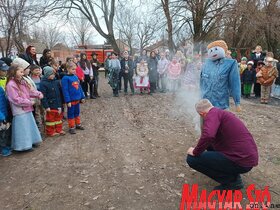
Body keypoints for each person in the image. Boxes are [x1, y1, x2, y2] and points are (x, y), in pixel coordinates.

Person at [186, 99, 258, 190]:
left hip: (242, 161)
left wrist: (195, 151)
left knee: (192, 159)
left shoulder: (212, 115)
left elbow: (208, 135)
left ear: (202, 114)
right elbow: (210, 138)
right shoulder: (220, 113)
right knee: (209, 145)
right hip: (247, 157)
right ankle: (231, 172)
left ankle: (232, 182)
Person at [6, 65, 43, 151]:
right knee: (22, 128)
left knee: (28, 126)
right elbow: (15, 99)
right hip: (19, 110)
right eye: (21, 72)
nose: (23, 73)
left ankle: (30, 142)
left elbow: (29, 91)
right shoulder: (11, 84)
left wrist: (38, 94)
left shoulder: (22, 82)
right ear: (14, 72)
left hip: (26, 108)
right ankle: (23, 146)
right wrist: (29, 102)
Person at [200, 40, 241, 111]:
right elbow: (201, 83)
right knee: (205, 122)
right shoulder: (206, 63)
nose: (213, 52)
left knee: (220, 121)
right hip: (206, 104)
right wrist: (200, 98)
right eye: (211, 50)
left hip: (221, 105)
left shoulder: (230, 64)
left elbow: (235, 83)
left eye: (216, 49)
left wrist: (237, 102)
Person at [40, 66, 65, 136]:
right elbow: (43, 96)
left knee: (58, 118)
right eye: (52, 74)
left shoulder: (56, 82)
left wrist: (61, 103)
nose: (53, 75)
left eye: (54, 74)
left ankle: (59, 129)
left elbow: (59, 93)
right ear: (47, 74)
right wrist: (46, 106)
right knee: (50, 120)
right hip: (50, 105)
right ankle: (50, 131)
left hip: (57, 103)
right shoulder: (43, 84)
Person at [61, 62, 85, 134]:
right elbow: (65, 90)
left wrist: (82, 96)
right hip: (71, 100)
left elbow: (79, 87)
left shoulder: (75, 77)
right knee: (71, 113)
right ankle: (72, 126)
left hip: (77, 99)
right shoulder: (65, 78)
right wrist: (68, 101)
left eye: (75, 69)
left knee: (77, 112)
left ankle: (78, 124)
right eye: (73, 69)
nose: (74, 70)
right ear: (68, 69)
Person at [0, 61, 12, 156]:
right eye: (3, 70)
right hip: (1, 114)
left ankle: (6, 146)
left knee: (5, 131)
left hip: (4, 111)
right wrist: (1, 116)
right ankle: (3, 149)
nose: (5, 72)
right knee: (2, 133)